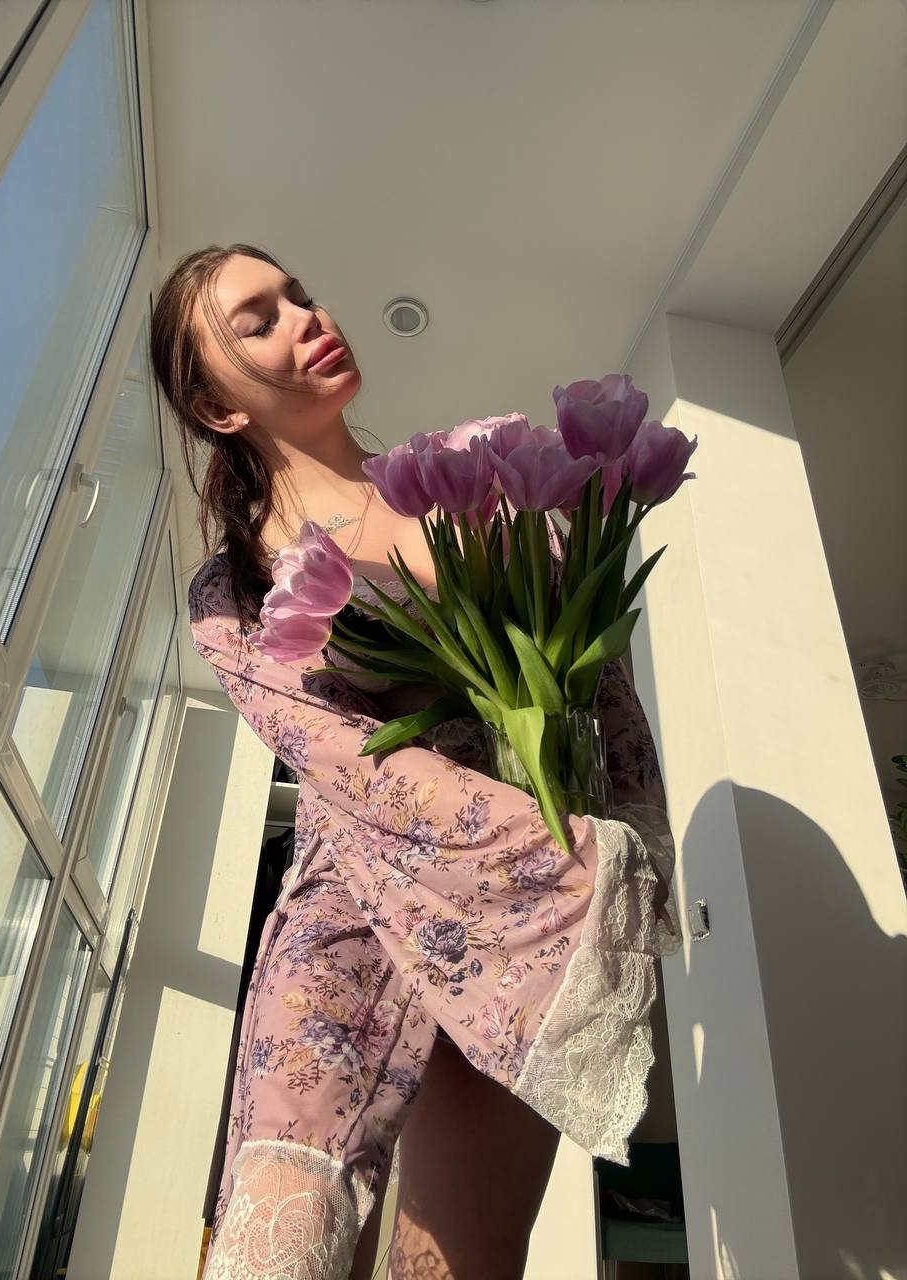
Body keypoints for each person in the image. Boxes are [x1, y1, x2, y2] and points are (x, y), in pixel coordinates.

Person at [150, 243, 681, 1280]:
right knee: (282, 1242)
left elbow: (598, 692)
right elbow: (350, 764)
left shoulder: (475, 490)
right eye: (259, 320)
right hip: (350, 914)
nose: (307, 317)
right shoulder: (236, 590)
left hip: (515, 927)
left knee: (462, 1261)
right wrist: (557, 848)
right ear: (216, 406)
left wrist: (627, 844)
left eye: (300, 295)